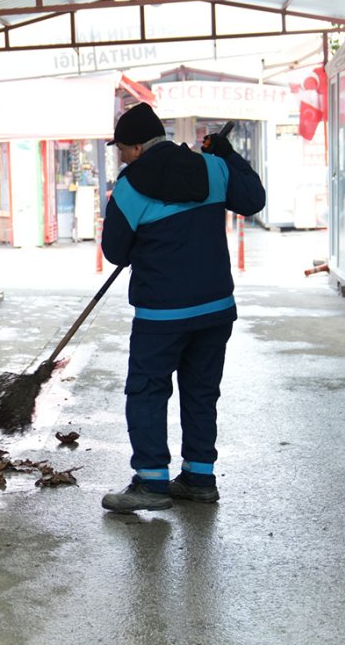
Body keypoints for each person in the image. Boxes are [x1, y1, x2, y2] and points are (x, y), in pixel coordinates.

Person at [99, 104, 265, 512]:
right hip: (214, 308)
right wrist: (227, 153)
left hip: (162, 314)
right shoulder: (212, 168)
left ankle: (152, 483)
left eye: (121, 148)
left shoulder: (129, 187)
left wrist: (145, 241)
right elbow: (253, 199)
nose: (120, 155)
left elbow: (115, 251)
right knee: (201, 391)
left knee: (147, 390)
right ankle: (199, 477)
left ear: (137, 147)